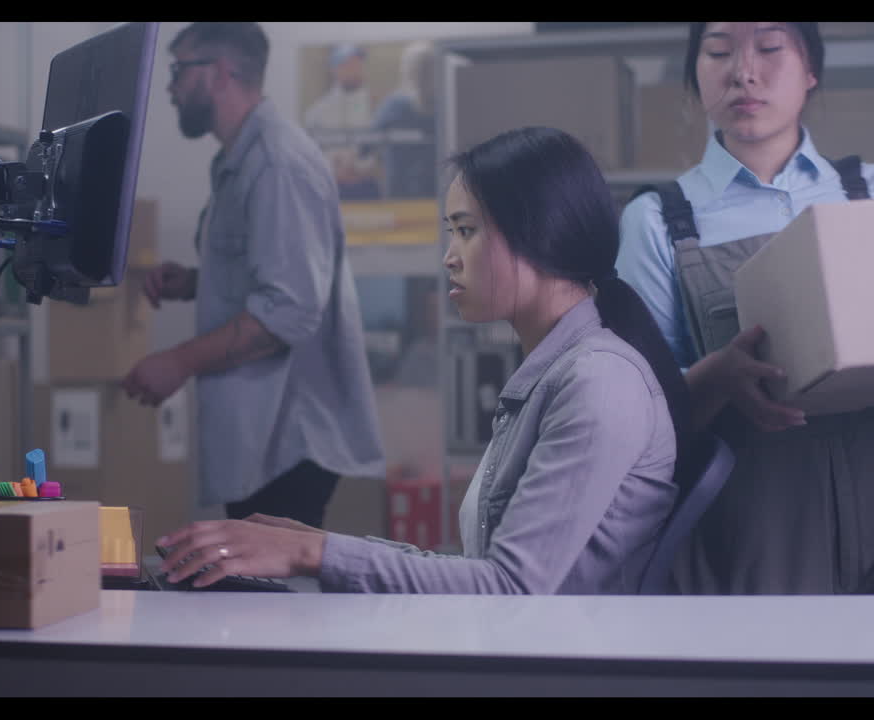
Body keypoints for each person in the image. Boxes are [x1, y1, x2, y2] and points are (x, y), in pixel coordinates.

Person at [157, 126, 699, 595]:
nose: (449, 257)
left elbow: (509, 588)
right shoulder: (561, 373)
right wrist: (315, 543)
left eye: (466, 230)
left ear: (539, 233)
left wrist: (313, 555)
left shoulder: (599, 380)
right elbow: (483, 571)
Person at [616, 22, 874, 696]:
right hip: (751, 535)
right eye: (719, 51)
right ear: (696, 75)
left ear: (811, 69)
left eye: (769, 48)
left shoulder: (872, 192)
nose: (743, 71)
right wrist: (716, 377)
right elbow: (633, 411)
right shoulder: (659, 221)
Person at [123, 22, 385, 530]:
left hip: (287, 437)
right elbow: (271, 274)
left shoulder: (276, 163)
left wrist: (178, 361)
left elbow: (289, 310)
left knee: (269, 580)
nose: (171, 88)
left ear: (221, 73)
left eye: (179, 71)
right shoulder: (239, 160)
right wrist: (197, 282)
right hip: (263, 437)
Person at [303, 42, 380, 200]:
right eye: (348, 64)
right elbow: (310, 153)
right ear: (334, 69)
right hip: (330, 188)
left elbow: (379, 151)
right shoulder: (317, 111)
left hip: (366, 188)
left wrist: (361, 168)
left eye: (357, 64)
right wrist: (334, 166)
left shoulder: (376, 107)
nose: (354, 69)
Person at [369, 39, 438, 199]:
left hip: (420, 194)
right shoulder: (393, 107)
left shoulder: (394, 106)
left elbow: (365, 146)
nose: (421, 74)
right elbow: (366, 145)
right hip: (411, 195)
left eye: (425, 69)